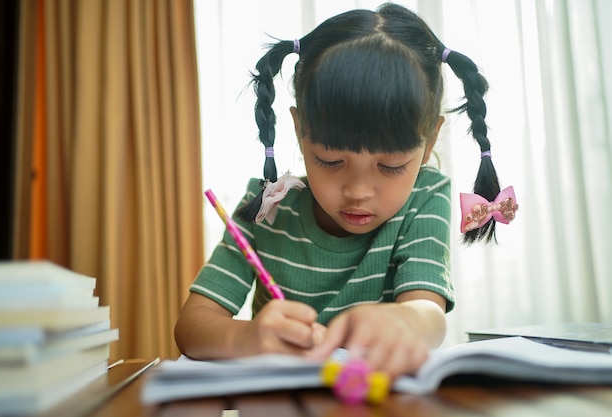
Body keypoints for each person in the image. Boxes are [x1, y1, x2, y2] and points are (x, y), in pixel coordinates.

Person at [175, 2, 516, 378]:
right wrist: (246, 338)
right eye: (330, 161)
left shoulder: (425, 196)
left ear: (430, 141)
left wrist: (407, 321)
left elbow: (428, 313)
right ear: (300, 129)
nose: (358, 191)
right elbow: (192, 327)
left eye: (390, 166)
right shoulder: (266, 208)